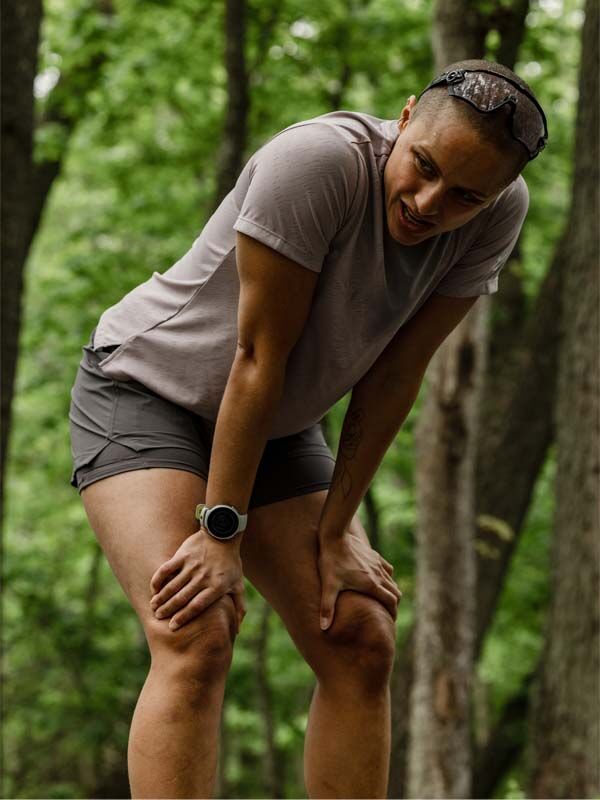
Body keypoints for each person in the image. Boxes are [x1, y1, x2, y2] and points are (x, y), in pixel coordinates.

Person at [68, 57, 548, 798]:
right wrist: (220, 532)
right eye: (422, 166)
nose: (427, 202)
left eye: (463, 197)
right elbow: (259, 356)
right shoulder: (315, 163)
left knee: (360, 634)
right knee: (198, 628)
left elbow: (395, 375)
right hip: (147, 391)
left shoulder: (499, 212)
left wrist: (336, 529)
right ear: (407, 113)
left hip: (278, 425)